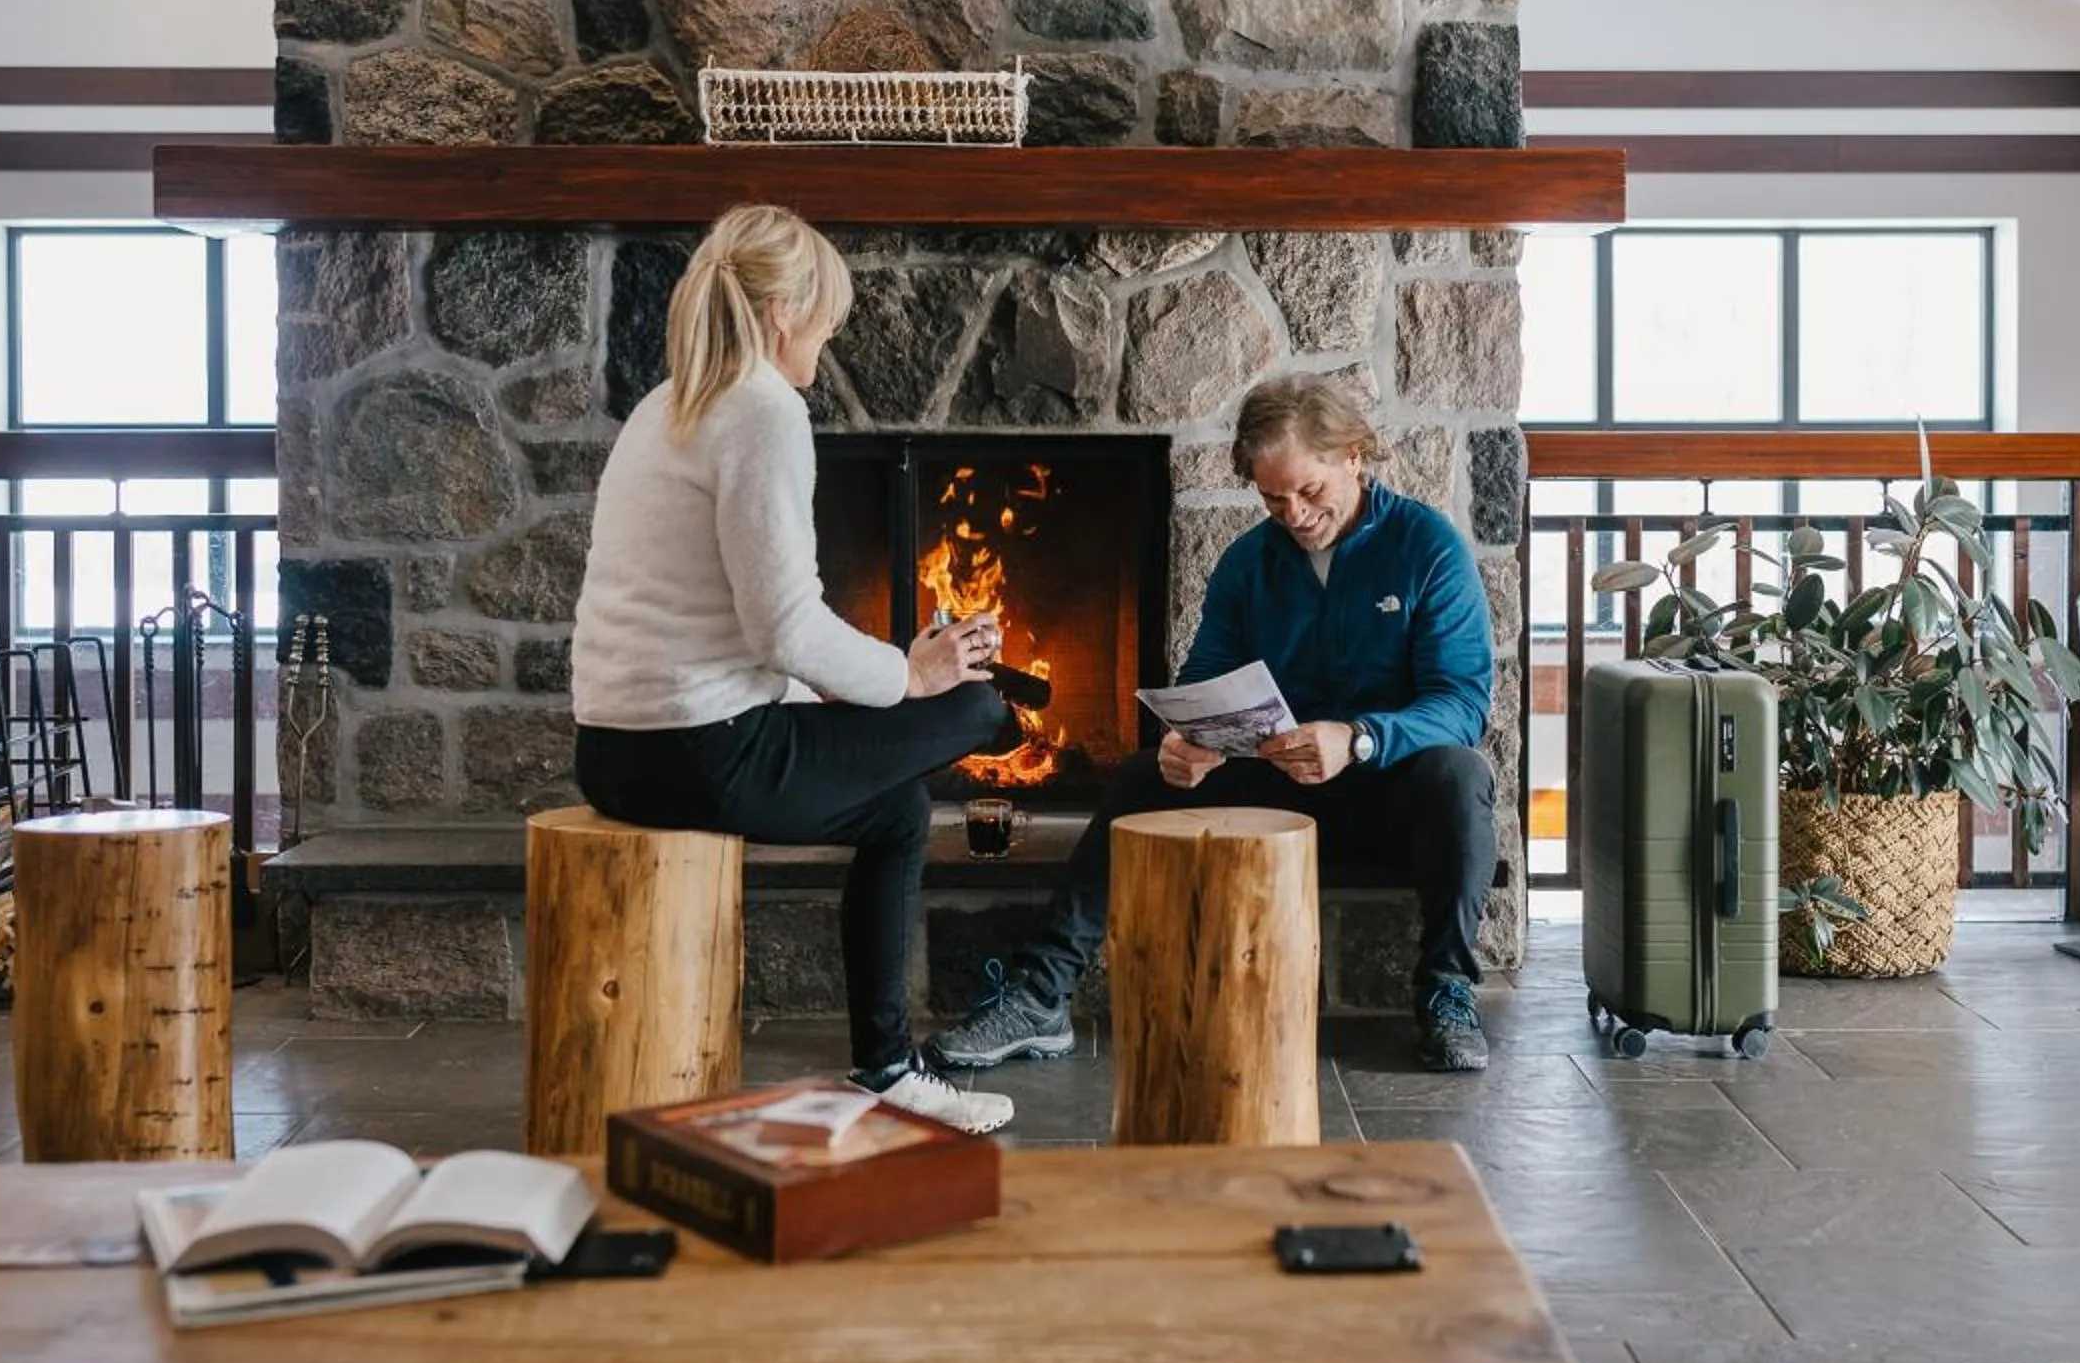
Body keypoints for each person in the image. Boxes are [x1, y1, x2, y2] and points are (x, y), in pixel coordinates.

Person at [571, 203, 1021, 1134]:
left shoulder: (666, 405)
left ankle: (887, 1067)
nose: (830, 338)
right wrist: (913, 676)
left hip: (613, 751)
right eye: (828, 320)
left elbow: (724, 621)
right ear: (784, 313)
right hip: (707, 755)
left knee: (896, 808)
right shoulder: (762, 410)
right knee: (982, 711)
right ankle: (887, 1068)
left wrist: (835, 689)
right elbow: (782, 625)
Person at [933, 375, 1501, 1075]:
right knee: (1142, 775)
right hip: (1276, 788)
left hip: (1386, 789)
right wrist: (1185, 743)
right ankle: (1040, 996)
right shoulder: (1246, 564)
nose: (1294, 515)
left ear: (1354, 456)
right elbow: (1204, 681)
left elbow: (1462, 703)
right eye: (1273, 499)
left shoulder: (1428, 547)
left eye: (1309, 491)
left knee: (1460, 774)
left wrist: (1359, 738)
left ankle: (1447, 991)